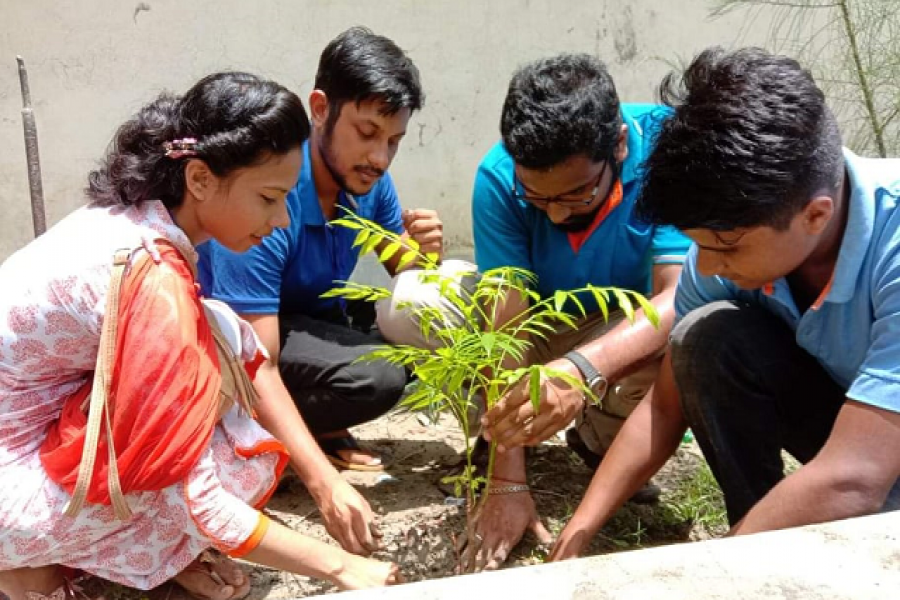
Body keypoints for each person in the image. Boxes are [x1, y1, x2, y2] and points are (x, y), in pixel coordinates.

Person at [0, 71, 400, 600]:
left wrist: (320, 479)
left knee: (224, 342)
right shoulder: (154, 280)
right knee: (216, 460)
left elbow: (240, 359)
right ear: (200, 179)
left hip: (30, 427)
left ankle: (154, 553)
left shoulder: (139, 219)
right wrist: (340, 568)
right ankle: (27, 572)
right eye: (268, 197)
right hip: (11, 482)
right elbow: (195, 498)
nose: (281, 220)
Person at [495, 46, 900, 561]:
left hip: (870, 463)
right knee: (703, 337)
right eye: (699, 244)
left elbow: (855, 478)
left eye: (724, 246)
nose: (705, 267)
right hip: (860, 444)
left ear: (815, 216)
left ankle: (755, 557)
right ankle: (766, 546)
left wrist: (714, 571)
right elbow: (665, 404)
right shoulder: (741, 232)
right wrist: (577, 536)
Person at [466, 54, 692, 570]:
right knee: (443, 312)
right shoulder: (498, 178)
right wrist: (507, 479)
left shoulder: (667, 152)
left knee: (691, 339)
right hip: (540, 327)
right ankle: (489, 432)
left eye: (576, 193)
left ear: (617, 144)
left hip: (621, 329)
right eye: (536, 198)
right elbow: (506, 329)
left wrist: (582, 371)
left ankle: (599, 440)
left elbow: (675, 298)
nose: (557, 212)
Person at [198, 26, 444, 473]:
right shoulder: (271, 191)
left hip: (313, 322)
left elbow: (408, 273)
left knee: (433, 325)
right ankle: (252, 434)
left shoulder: (370, 183)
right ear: (319, 109)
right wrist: (321, 480)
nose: (380, 157)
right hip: (239, 339)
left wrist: (427, 253)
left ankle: (311, 424)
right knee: (378, 376)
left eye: (393, 141)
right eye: (367, 132)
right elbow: (255, 358)